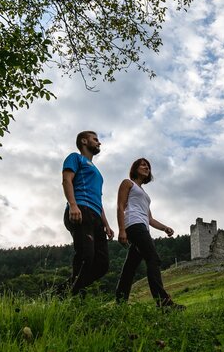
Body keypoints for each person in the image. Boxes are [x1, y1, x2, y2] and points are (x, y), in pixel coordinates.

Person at [115, 157, 184, 310]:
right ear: (135, 168)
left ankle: (119, 305)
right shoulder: (127, 183)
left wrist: (165, 227)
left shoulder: (144, 194)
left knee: (130, 268)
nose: (147, 168)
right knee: (153, 258)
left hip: (142, 226)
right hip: (133, 224)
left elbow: (150, 218)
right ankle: (164, 304)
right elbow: (120, 206)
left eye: (148, 166)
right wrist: (121, 229)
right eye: (143, 165)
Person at [62, 131, 114, 296]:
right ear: (84, 141)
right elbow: (67, 180)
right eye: (95, 139)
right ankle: (72, 298)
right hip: (81, 210)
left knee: (102, 264)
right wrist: (73, 205)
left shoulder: (97, 172)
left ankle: (62, 293)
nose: (99, 143)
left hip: (96, 216)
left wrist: (106, 223)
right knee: (86, 256)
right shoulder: (75, 158)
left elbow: (98, 198)